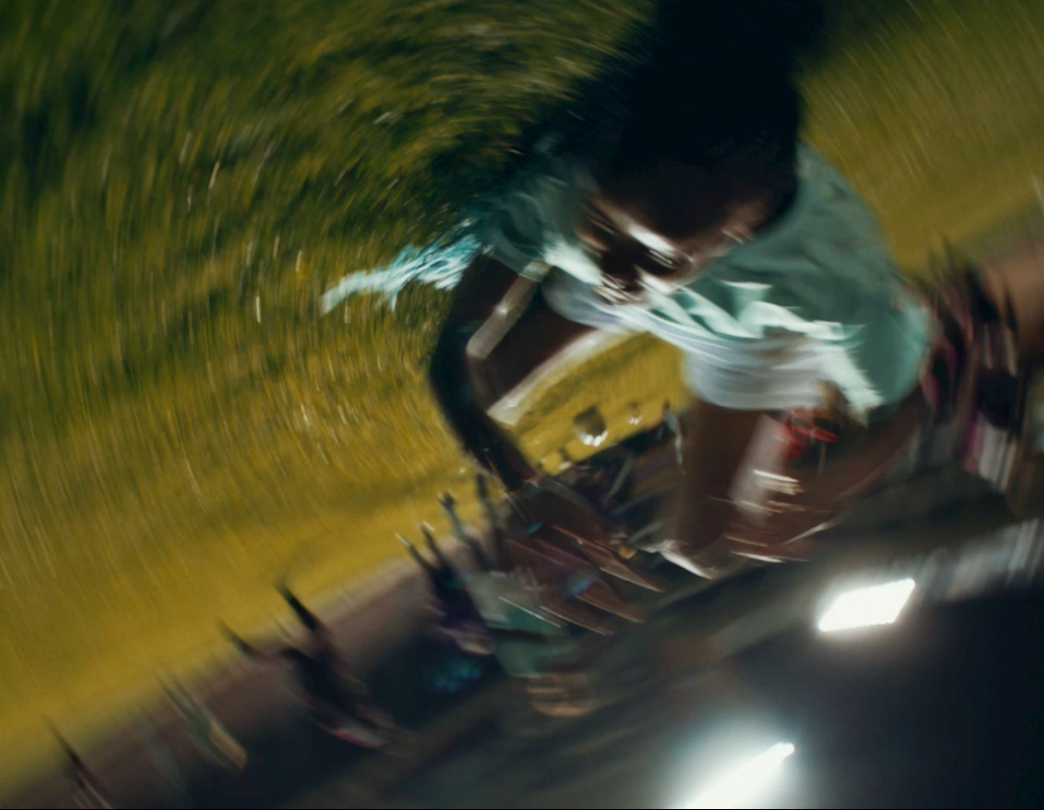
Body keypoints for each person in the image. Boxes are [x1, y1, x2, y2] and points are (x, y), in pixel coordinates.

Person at [323, 0, 941, 578]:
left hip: (750, 336)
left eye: (656, 253)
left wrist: (833, 486)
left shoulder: (830, 280)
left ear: (739, 234)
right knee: (489, 392)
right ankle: (619, 267)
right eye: (602, 225)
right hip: (644, 287)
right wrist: (526, 487)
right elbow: (451, 361)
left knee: (704, 550)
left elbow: (904, 408)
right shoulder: (563, 195)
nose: (617, 274)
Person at [221, 585, 393, 748]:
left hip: (320, 683)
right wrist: (339, 666)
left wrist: (315, 700)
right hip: (328, 672)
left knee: (294, 652)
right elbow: (349, 687)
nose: (379, 718)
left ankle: (249, 651)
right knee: (317, 635)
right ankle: (288, 597)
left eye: (378, 723)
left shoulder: (349, 722)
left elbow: (331, 714)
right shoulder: (359, 714)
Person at [399, 527, 494, 655]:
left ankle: (416, 537)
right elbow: (469, 606)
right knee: (433, 561)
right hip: (451, 591)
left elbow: (453, 617)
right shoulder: (472, 629)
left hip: (448, 593)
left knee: (432, 562)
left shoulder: (467, 632)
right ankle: (417, 536)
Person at [157, 673, 248, 772]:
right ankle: (169, 684)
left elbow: (215, 741)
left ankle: (168, 684)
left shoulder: (229, 756)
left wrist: (194, 734)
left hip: (204, 729)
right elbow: (216, 740)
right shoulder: (230, 756)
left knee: (186, 706)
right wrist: (194, 734)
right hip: (204, 729)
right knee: (186, 705)